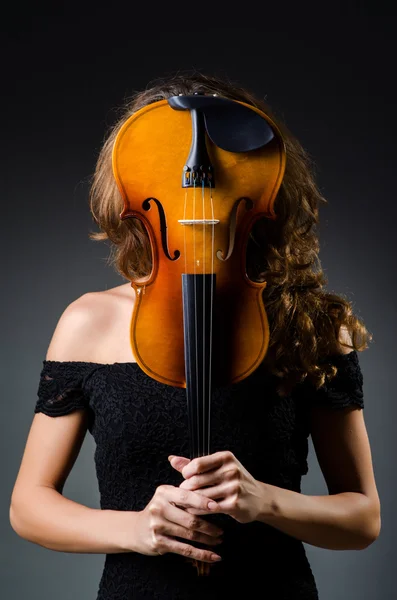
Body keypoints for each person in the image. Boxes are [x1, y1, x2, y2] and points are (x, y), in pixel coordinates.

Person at [9, 72, 381, 600]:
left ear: (262, 187)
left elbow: (362, 518)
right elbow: (28, 505)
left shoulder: (312, 325)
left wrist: (266, 501)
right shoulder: (88, 323)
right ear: (131, 193)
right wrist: (137, 529)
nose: (198, 209)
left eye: (225, 180)